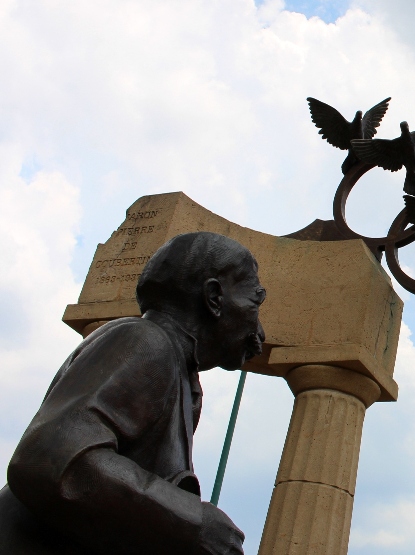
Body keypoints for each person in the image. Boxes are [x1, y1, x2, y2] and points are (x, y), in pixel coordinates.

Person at [0, 232, 266, 555]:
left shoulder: (180, 375)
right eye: (254, 302)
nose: (259, 333)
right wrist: (194, 524)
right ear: (214, 298)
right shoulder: (147, 343)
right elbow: (50, 461)